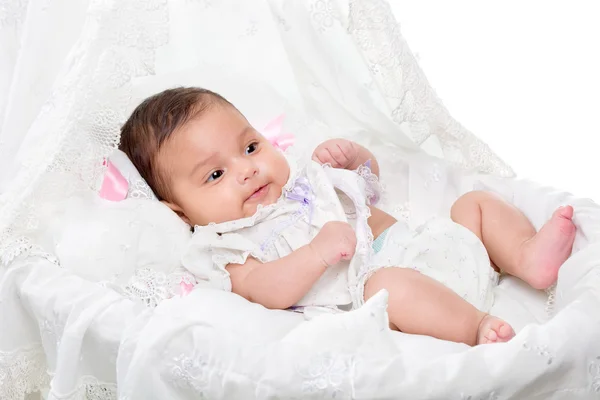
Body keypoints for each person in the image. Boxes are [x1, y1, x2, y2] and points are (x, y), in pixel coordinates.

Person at [119, 87, 576, 346]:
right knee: (388, 286)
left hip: (439, 249)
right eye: (216, 174)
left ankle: (523, 256)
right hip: (395, 295)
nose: (247, 169)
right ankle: (474, 328)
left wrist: (358, 161)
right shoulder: (225, 246)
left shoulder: (301, 181)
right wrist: (317, 253)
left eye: (251, 146)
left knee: (471, 204)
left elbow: (368, 191)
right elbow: (265, 290)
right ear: (179, 211)